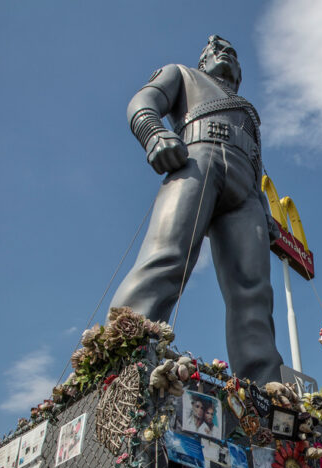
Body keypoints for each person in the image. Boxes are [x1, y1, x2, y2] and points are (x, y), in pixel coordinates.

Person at [110, 35, 284, 384]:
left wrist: (266, 212)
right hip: (196, 158)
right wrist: (152, 132)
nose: (224, 55)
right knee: (166, 258)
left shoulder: (249, 112)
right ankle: (119, 359)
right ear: (203, 61)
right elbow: (143, 101)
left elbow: (258, 165)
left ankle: (263, 389)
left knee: (254, 293)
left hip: (246, 192)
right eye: (215, 51)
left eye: (232, 54)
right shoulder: (182, 74)